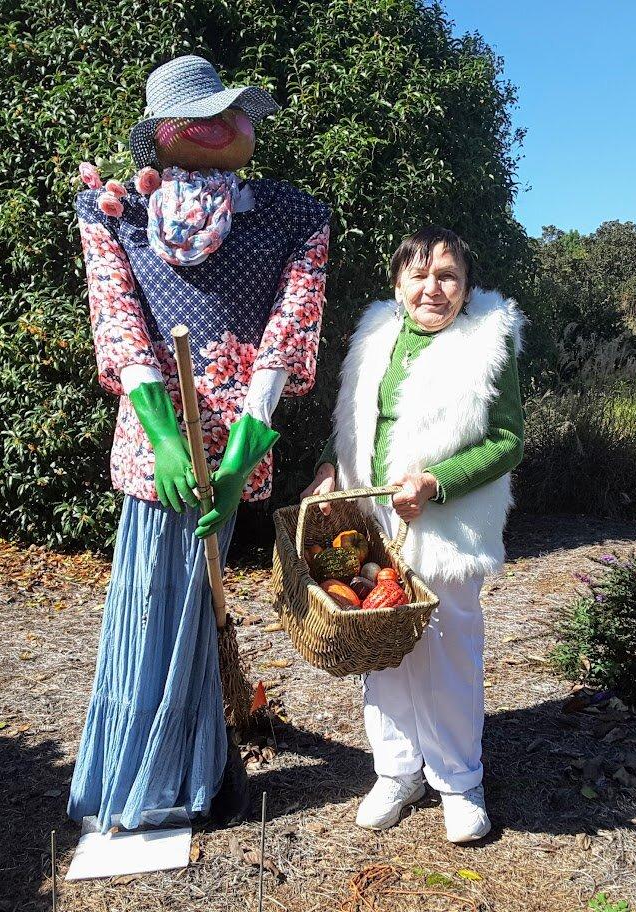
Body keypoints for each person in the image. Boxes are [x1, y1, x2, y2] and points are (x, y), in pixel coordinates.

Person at [69, 56, 330, 832]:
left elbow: (289, 337)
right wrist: (168, 441)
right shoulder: (112, 212)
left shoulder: (293, 216)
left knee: (197, 607)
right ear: (162, 135)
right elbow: (118, 324)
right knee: (149, 601)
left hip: (239, 438)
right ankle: (142, 779)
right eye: (203, 114)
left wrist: (236, 463)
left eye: (232, 113)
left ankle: (199, 767)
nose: (223, 126)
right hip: (159, 444)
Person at [304, 226, 524, 843]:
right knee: (383, 648)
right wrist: (327, 466)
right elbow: (351, 424)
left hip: (447, 528)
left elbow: (509, 441)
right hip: (374, 524)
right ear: (398, 284)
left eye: (448, 276)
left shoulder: (489, 342)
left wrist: (436, 482)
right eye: (420, 275)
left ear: (466, 286)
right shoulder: (375, 337)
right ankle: (397, 771)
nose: (434, 288)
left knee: (450, 651)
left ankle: (459, 780)